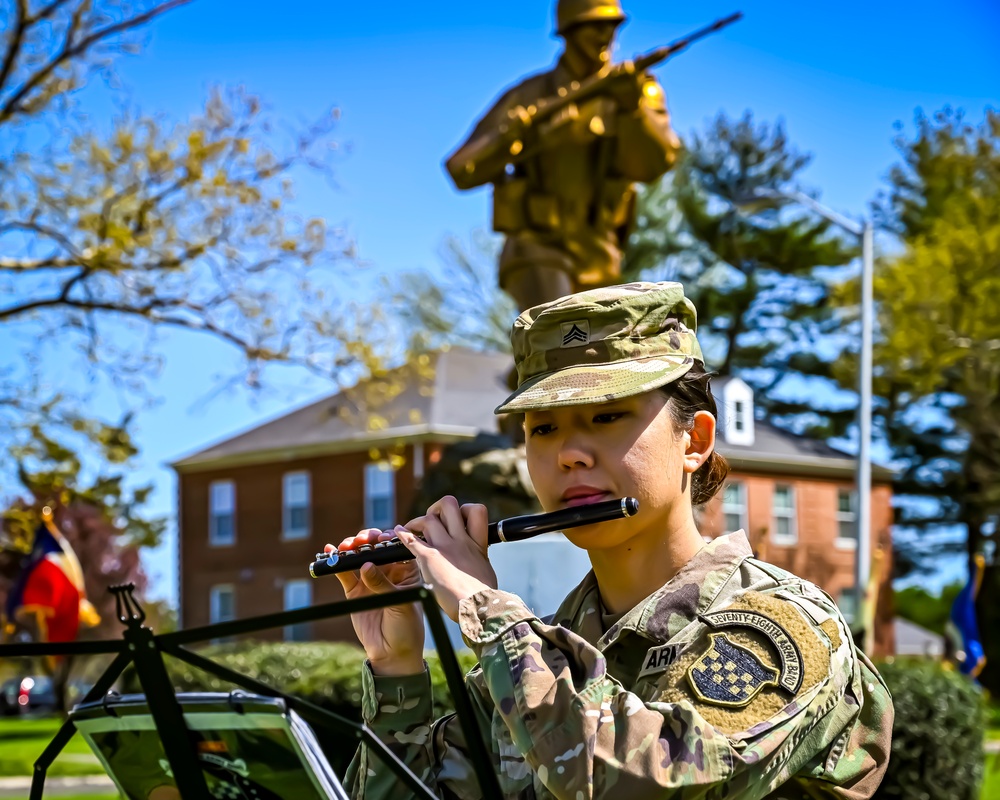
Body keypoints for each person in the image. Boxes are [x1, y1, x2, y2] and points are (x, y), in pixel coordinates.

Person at [331, 282, 894, 799]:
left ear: (693, 439)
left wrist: (487, 611)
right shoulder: (551, 646)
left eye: (606, 417)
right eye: (543, 428)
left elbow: (630, 782)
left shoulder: (781, 626)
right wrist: (396, 664)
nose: (569, 453)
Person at [444, 0, 680, 313]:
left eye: (612, 26)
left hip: (599, 253)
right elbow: (461, 169)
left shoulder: (636, 89)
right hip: (537, 247)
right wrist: (513, 139)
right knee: (563, 332)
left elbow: (655, 163)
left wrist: (632, 111)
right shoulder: (529, 95)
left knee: (591, 353)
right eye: (595, 26)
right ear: (569, 30)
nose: (606, 35)